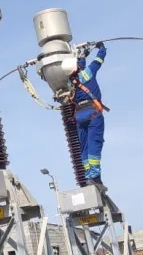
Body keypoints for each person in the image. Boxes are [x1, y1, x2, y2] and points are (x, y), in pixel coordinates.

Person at [61, 42, 108, 191]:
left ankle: (89, 176)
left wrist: (82, 55)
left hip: (79, 116)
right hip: (93, 113)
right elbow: (98, 61)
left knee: (84, 147)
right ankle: (95, 177)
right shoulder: (87, 73)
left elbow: (78, 66)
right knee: (95, 142)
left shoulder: (70, 82)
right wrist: (101, 48)